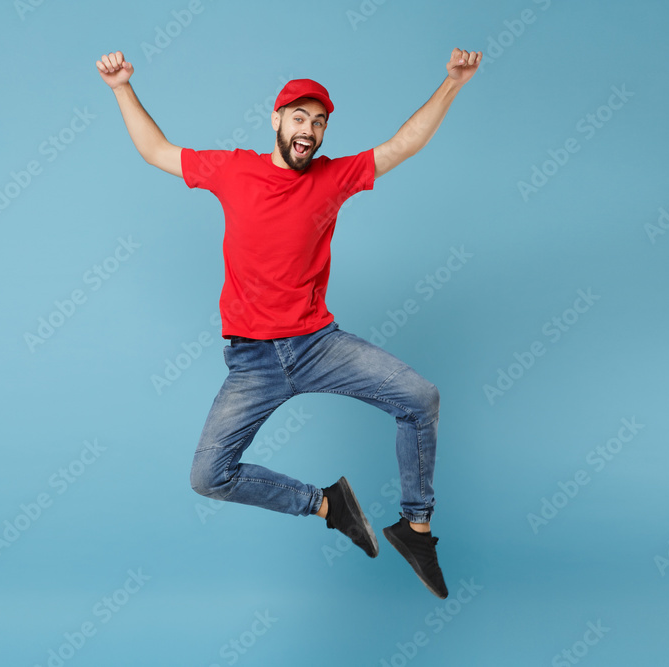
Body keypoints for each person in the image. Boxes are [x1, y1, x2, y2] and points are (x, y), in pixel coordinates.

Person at [96, 48, 481, 598]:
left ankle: (415, 528)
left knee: (421, 399)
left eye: (319, 121)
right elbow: (157, 150)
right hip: (254, 361)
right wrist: (120, 88)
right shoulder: (234, 169)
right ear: (276, 120)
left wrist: (452, 83)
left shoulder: (332, 177)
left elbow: (403, 144)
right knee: (209, 477)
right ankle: (329, 504)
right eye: (299, 117)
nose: (310, 129)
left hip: (317, 345)